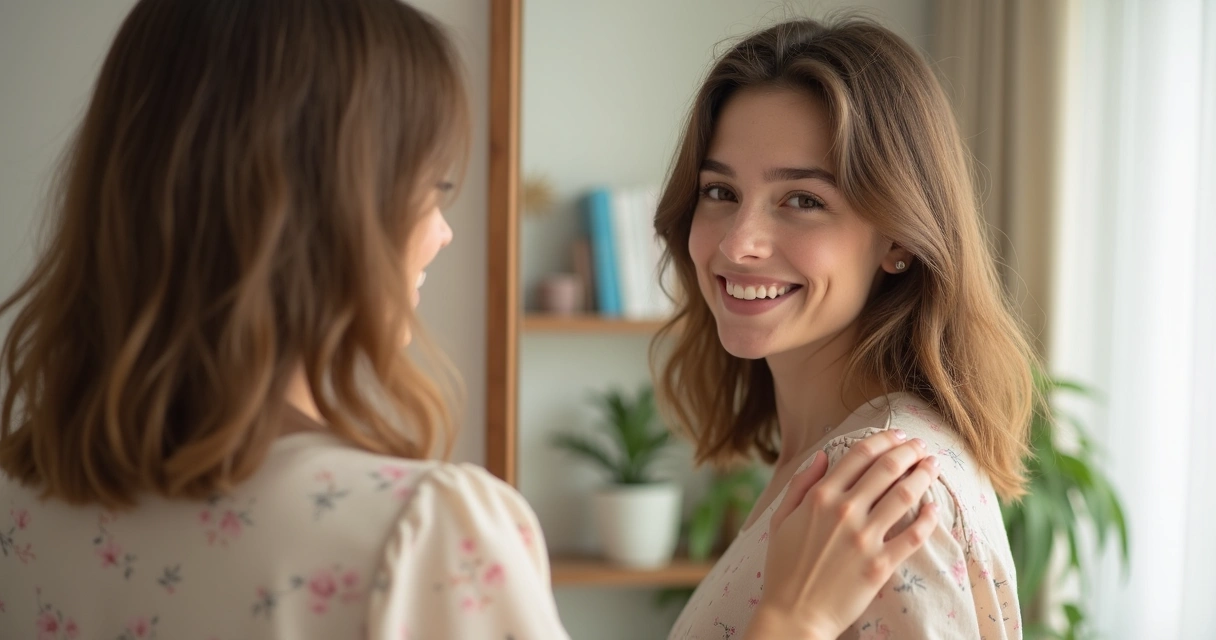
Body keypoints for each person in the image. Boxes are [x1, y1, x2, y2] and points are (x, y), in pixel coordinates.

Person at [0, 2, 940, 639]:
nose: (444, 232)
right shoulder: (418, 533)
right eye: (428, 189)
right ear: (323, 214)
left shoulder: (22, 505)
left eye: (803, 201)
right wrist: (791, 625)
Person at [656, 17, 1038, 640]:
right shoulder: (824, 468)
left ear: (899, 238)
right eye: (720, 190)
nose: (737, 242)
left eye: (803, 200)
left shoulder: (882, 493)